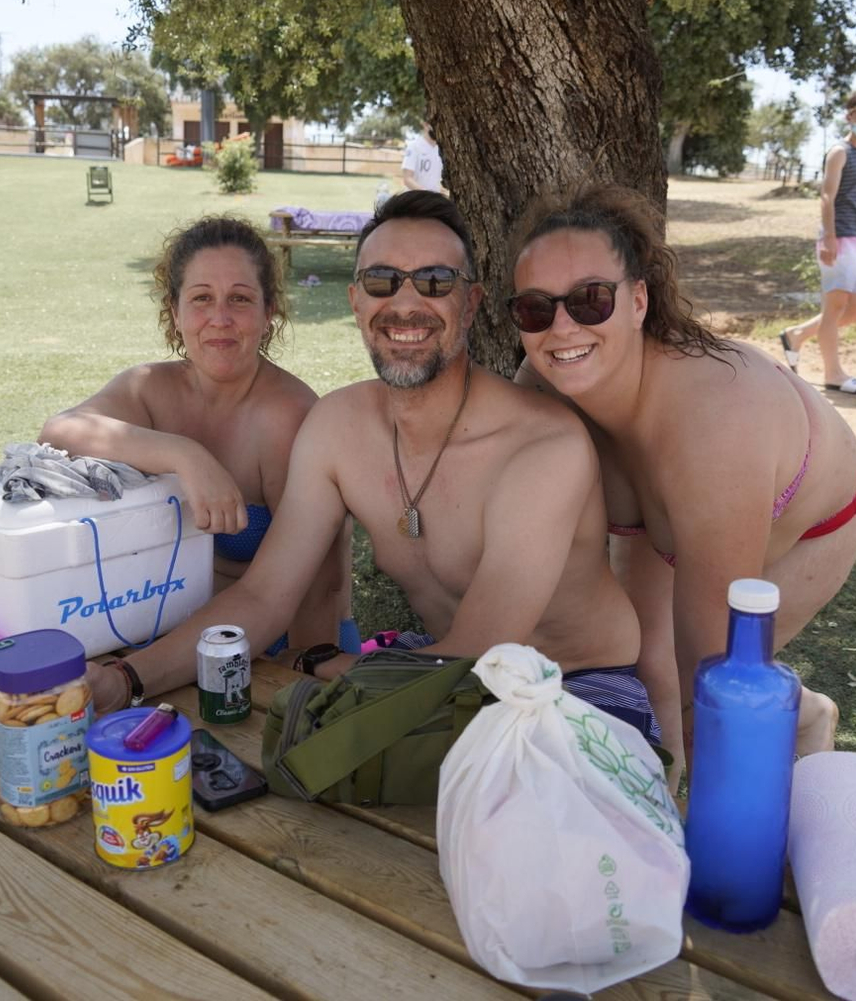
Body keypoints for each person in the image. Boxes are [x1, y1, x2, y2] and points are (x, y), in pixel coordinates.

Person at [84, 191, 664, 752]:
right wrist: (124, 680)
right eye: (383, 281)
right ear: (357, 301)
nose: (406, 304)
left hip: (574, 687)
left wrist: (329, 662)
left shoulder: (543, 447)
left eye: (435, 282)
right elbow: (263, 597)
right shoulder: (337, 426)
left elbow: (478, 652)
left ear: (471, 303)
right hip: (430, 673)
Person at [509, 182, 856, 764]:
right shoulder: (542, 384)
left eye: (591, 299)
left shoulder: (713, 426)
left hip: (809, 522)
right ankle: (661, 792)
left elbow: (711, 674)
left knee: (715, 683)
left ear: (640, 301)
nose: (563, 327)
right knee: (646, 667)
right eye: (535, 307)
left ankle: (804, 714)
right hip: (669, 516)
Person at [40, 216, 350, 655]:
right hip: (169, 633)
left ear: (269, 312)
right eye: (202, 298)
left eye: (240, 299)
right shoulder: (148, 389)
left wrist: (303, 687)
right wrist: (183, 454)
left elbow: (321, 588)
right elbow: (58, 432)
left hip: (279, 644)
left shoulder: (289, 417)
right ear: (175, 310)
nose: (220, 318)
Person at [780, 89, 856, 395]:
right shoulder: (839, 152)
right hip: (839, 238)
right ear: (849, 116)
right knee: (836, 306)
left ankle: (797, 335)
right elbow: (827, 195)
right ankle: (834, 375)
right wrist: (829, 237)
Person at [400, 121, 446, 195]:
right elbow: (407, 179)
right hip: (415, 200)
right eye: (433, 125)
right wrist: (427, 194)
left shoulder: (440, 149)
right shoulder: (414, 146)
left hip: (434, 201)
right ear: (425, 124)